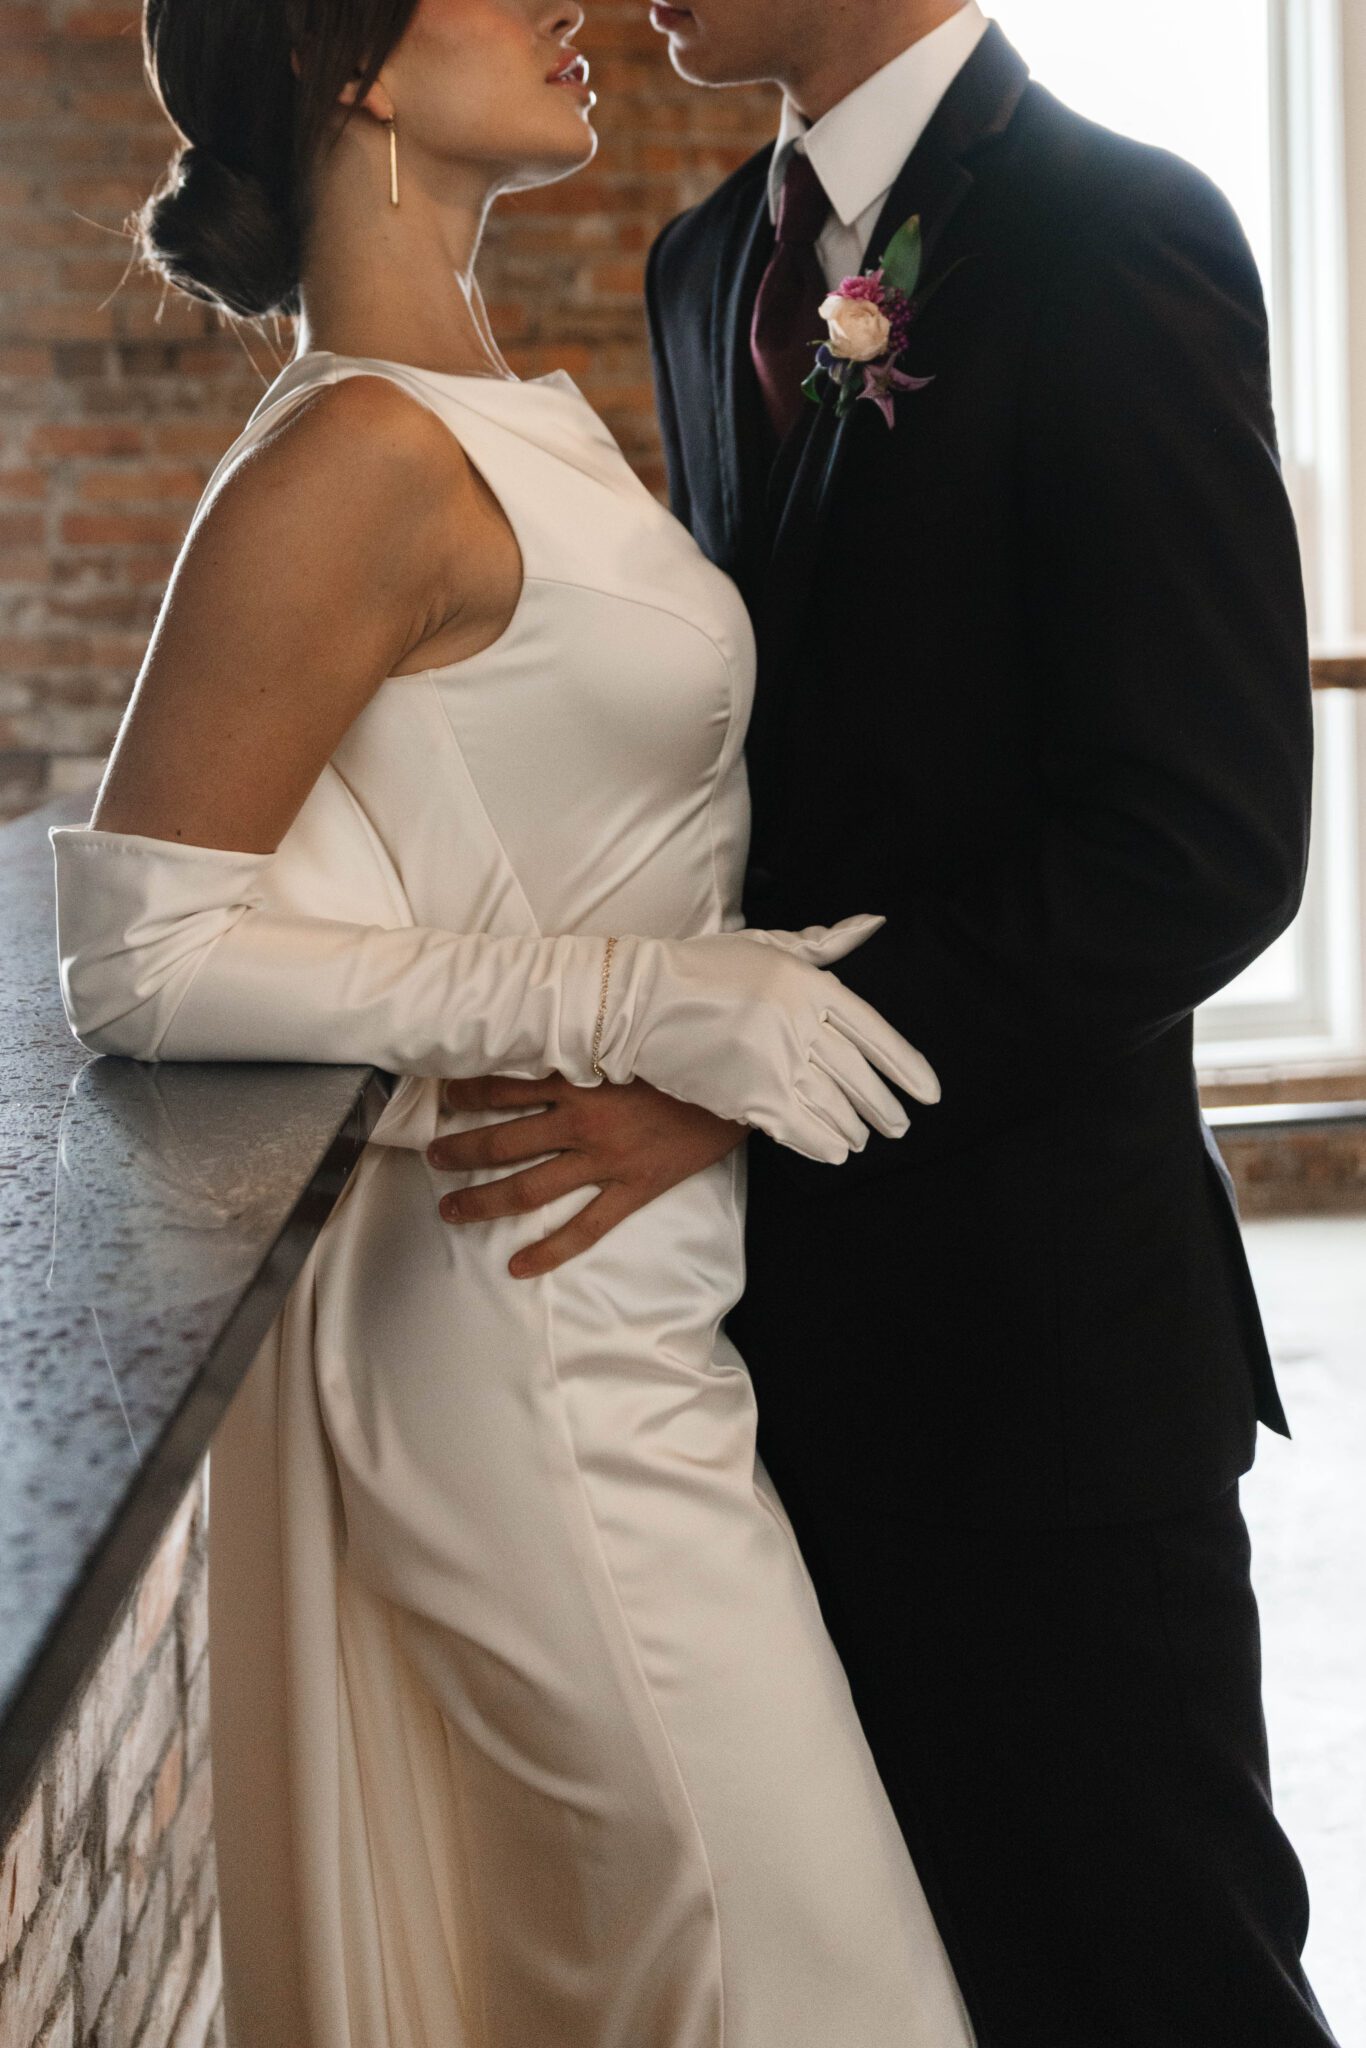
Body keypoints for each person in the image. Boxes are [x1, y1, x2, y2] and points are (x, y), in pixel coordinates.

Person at [48, 1, 977, 2044]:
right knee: (802, 1983)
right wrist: (636, 999)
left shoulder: (499, 403)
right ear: (350, 66)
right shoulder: (355, 452)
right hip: (525, 1329)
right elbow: (135, 951)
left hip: (634, 1311)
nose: (565, 5)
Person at [440, 1, 1341, 2043]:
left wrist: (753, 1082)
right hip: (763, 1355)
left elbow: (1198, 838)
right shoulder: (704, 267)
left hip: (1041, 1363)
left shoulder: (1116, 234)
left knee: (1148, 1978)